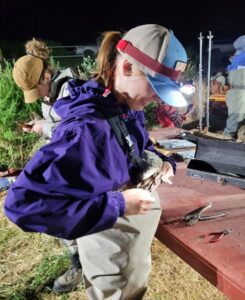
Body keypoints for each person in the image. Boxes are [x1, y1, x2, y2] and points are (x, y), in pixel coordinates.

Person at [4, 24, 189, 299]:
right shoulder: (88, 130)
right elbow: (22, 204)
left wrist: (162, 163)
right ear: (126, 68)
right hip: (112, 259)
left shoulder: (124, 106)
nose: (157, 99)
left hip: (130, 256)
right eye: (155, 87)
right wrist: (120, 203)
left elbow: (140, 147)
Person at [12, 38, 83, 292]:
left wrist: (49, 127)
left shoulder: (72, 90)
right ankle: (79, 260)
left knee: (61, 209)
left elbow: (82, 130)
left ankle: (83, 266)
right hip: (64, 163)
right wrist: (41, 128)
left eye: (36, 88)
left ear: (46, 76)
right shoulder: (49, 94)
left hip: (81, 165)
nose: (37, 96)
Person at [223, 35, 245, 138]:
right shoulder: (241, 57)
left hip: (239, 92)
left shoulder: (238, 56)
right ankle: (224, 147)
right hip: (239, 93)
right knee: (235, 121)